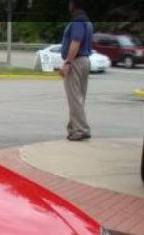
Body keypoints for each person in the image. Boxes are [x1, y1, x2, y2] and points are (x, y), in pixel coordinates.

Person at [59, 0, 94, 141]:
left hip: (76, 61)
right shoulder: (87, 21)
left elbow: (76, 41)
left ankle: (80, 130)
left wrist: (68, 62)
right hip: (84, 60)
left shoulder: (78, 21)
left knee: (74, 98)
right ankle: (74, 128)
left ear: (73, 5)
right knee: (78, 98)